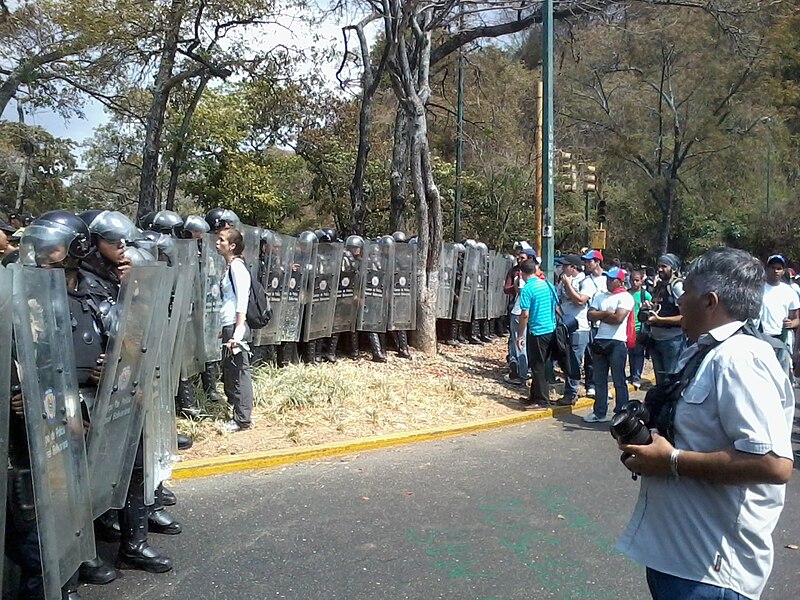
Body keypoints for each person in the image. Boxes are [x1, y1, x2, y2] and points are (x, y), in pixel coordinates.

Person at [616, 247, 793, 600]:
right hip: (682, 559)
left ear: (710, 301)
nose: (680, 301)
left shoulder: (739, 358)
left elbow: (774, 464)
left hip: (710, 573)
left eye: (687, 293)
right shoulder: (704, 351)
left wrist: (670, 461)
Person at [216, 227, 254, 432]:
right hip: (230, 326)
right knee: (232, 371)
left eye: (222, 240)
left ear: (232, 246)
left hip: (236, 326)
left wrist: (238, 329)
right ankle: (239, 413)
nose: (218, 243)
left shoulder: (237, 267)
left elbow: (242, 299)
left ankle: (243, 419)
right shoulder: (229, 266)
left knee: (240, 372)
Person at [583, 267, 634, 423]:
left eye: (612, 279)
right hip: (600, 339)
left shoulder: (625, 297)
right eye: (608, 278)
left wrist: (601, 314)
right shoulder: (600, 295)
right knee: (599, 379)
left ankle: (622, 413)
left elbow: (618, 319)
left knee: (619, 380)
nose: (609, 281)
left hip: (617, 341)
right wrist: (607, 313)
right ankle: (599, 412)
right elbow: (590, 315)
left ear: (620, 281)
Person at [516, 259, 557, 409]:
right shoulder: (547, 284)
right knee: (539, 364)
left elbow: (525, 315)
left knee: (537, 366)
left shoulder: (527, 289)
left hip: (537, 331)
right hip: (550, 329)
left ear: (521, 273)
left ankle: (542, 400)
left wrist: (520, 335)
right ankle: (534, 396)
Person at [641, 253, 685, 385]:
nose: (660, 269)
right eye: (659, 266)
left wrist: (660, 320)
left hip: (672, 342)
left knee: (671, 382)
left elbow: (685, 317)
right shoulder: (659, 287)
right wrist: (649, 307)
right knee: (660, 382)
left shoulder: (677, 287)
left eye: (664, 266)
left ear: (673, 268)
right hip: (655, 339)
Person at [556, 254, 591, 404]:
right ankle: (568, 390)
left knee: (574, 361)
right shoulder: (563, 281)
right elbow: (558, 300)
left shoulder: (585, 281)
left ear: (573, 267)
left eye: (565, 266)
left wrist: (568, 285)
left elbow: (580, 301)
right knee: (564, 359)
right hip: (564, 325)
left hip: (579, 327)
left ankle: (572, 393)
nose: (562, 268)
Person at [504, 248, 534, 385]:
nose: (519, 260)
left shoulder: (522, 277)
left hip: (521, 313)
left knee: (520, 343)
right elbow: (507, 288)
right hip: (522, 312)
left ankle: (520, 374)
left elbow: (521, 292)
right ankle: (518, 368)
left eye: (522, 258)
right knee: (518, 342)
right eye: (518, 257)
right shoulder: (516, 272)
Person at [580, 249, 607, 397]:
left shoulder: (607, 279)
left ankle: (602, 386)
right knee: (591, 356)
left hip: (607, 325)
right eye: (585, 261)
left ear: (597, 262)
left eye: (589, 261)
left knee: (605, 357)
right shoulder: (586, 281)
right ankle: (590, 384)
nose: (586, 264)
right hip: (592, 325)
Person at [757, 254, 799, 345]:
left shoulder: (790, 292)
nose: (775, 271)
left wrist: (791, 323)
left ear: (783, 271)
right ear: (766, 269)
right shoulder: (757, 289)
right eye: (772, 267)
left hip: (782, 339)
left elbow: (796, 319)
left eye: (779, 268)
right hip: (761, 336)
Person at [627, 269, 651, 389]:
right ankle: (632, 374)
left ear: (641, 281)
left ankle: (637, 376)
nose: (634, 283)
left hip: (639, 328)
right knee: (631, 353)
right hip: (628, 329)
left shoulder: (644, 294)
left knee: (638, 353)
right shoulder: (627, 293)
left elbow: (652, 306)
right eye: (632, 280)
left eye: (637, 280)